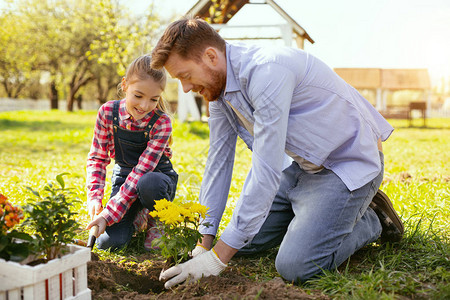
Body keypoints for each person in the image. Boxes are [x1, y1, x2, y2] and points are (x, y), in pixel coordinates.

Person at [150, 18, 404, 288]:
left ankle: (372, 218)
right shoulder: (219, 93)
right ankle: (313, 217)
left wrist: (217, 260)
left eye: (185, 76)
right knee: (243, 242)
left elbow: (266, 172)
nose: (186, 88)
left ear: (211, 56)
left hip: (348, 166)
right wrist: (205, 243)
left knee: (296, 266)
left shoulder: (267, 71)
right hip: (305, 167)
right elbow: (218, 164)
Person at [85, 55, 178, 251]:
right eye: (138, 95)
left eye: (154, 99)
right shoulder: (107, 113)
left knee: (148, 184)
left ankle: (156, 218)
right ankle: (137, 214)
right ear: (125, 85)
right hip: (124, 177)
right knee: (109, 243)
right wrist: (95, 198)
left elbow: (141, 172)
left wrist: (109, 214)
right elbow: (98, 158)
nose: (144, 106)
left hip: (155, 181)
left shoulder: (161, 123)